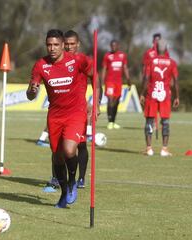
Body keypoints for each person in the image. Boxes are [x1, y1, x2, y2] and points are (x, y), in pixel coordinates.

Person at [26, 29, 99, 208]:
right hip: (55, 115)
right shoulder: (41, 65)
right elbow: (30, 94)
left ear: (62, 45)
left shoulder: (77, 60)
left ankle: (73, 181)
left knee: (69, 149)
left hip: (76, 112)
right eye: (49, 45)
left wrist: (96, 103)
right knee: (57, 157)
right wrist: (32, 91)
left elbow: (95, 77)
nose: (52, 48)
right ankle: (64, 191)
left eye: (56, 45)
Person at [42, 30, 93, 193]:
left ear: (78, 44)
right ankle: (56, 178)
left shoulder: (81, 61)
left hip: (79, 110)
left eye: (73, 44)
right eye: (68, 44)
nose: (70, 47)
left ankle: (80, 179)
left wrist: (94, 103)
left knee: (81, 144)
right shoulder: (57, 61)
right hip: (60, 111)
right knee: (57, 148)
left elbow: (95, 78)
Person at [140, 39, 179, 156]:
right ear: (166, 48)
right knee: (165, 122)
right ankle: (164, 149)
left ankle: (149, 149)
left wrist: (142, 93)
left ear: (156, 48)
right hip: (165, 95)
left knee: (149, 121)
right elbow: (176, 81)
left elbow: (146, 78)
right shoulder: (172, 62)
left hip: (152, 94)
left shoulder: (151, 62)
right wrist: (177, 96)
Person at [101, 39, 131, 130]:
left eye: (115, 46)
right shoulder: (107, 56)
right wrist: (102, 81)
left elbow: (125, 68)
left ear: (118, 46)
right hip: (109, 81)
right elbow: (104, 69)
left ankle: (113, 122)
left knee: (116, 101)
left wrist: (128, 79)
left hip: (119, 82)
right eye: (111, 46)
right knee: (110, 100)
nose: (113, 47)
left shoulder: (122, 56)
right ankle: (109, 122)